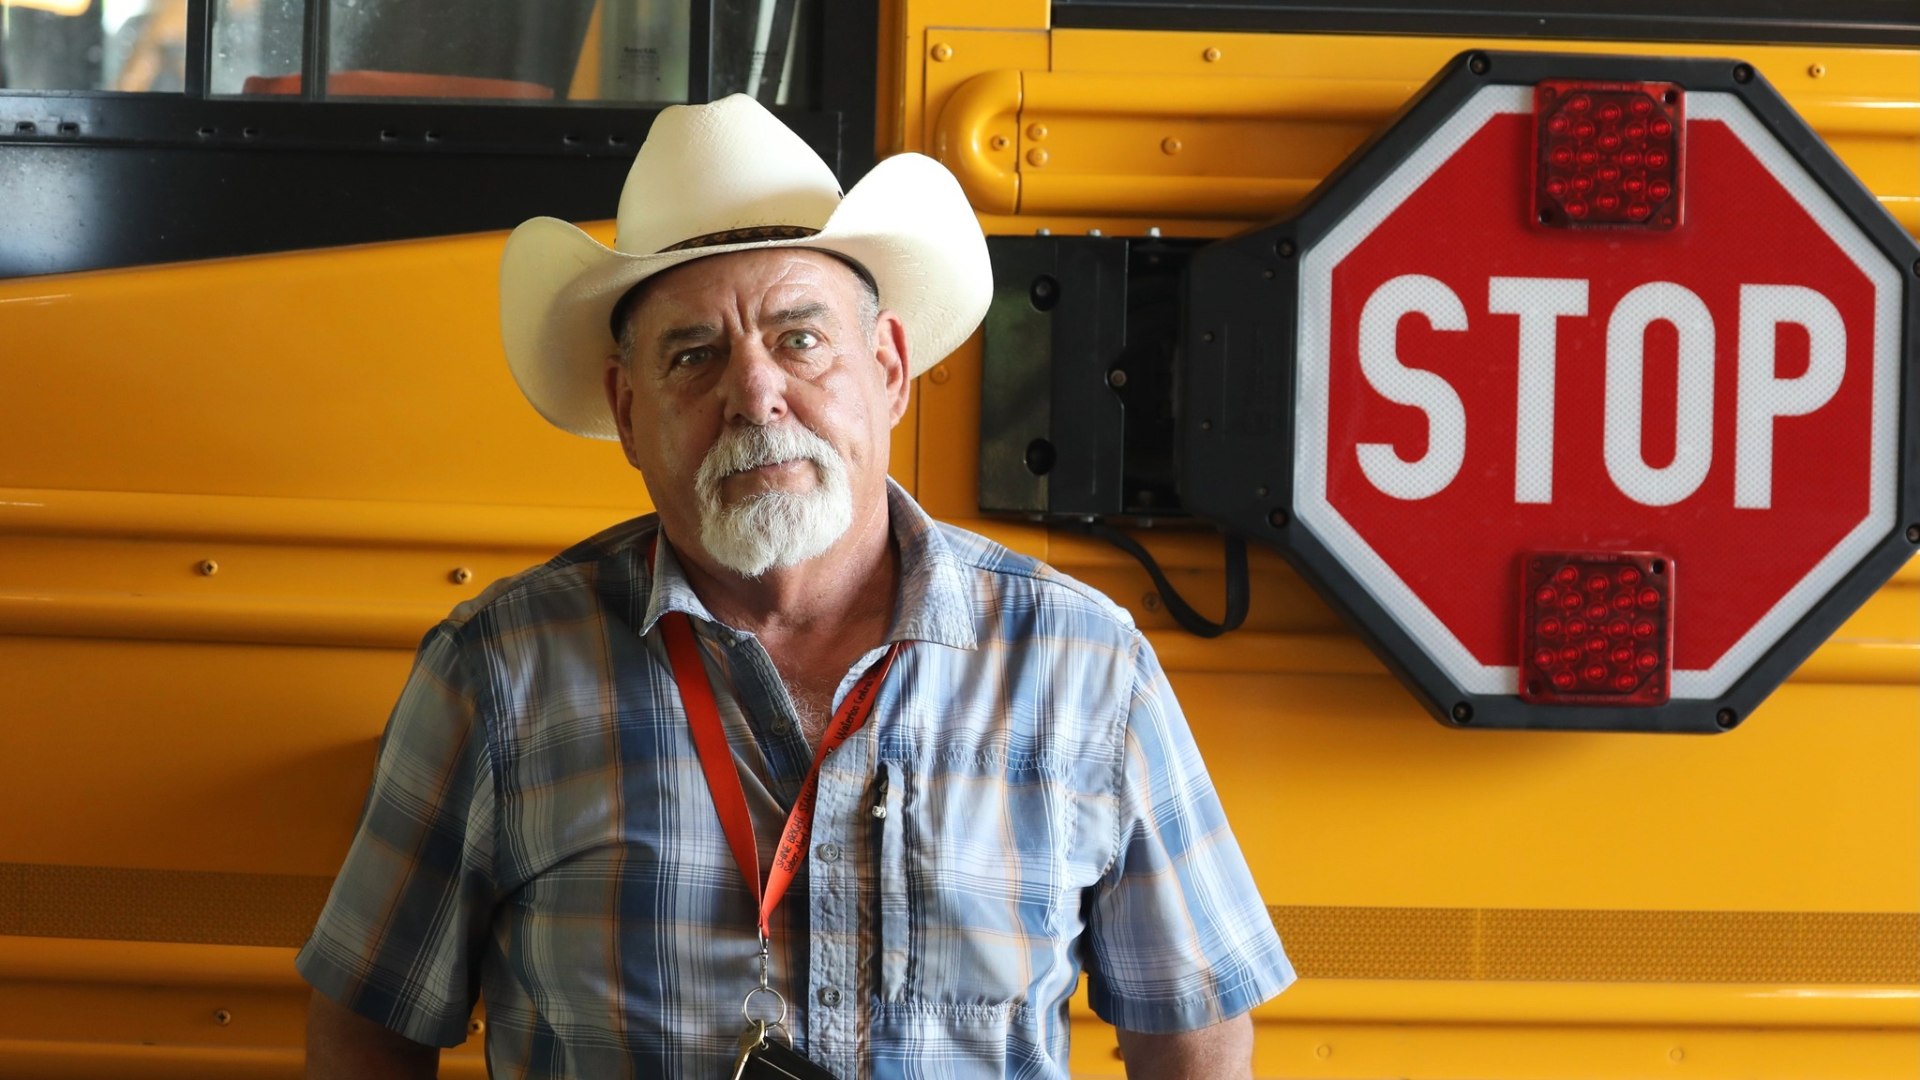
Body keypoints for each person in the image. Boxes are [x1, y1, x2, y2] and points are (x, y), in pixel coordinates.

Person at [298, 94, 1292, 1079]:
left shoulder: (1083, 666)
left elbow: (1196, 1040)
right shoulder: (497, 672)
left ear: (890, 369)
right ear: (629, 411)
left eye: (799, 337)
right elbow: (367, 1032)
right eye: (694, 355)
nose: (755, 392)